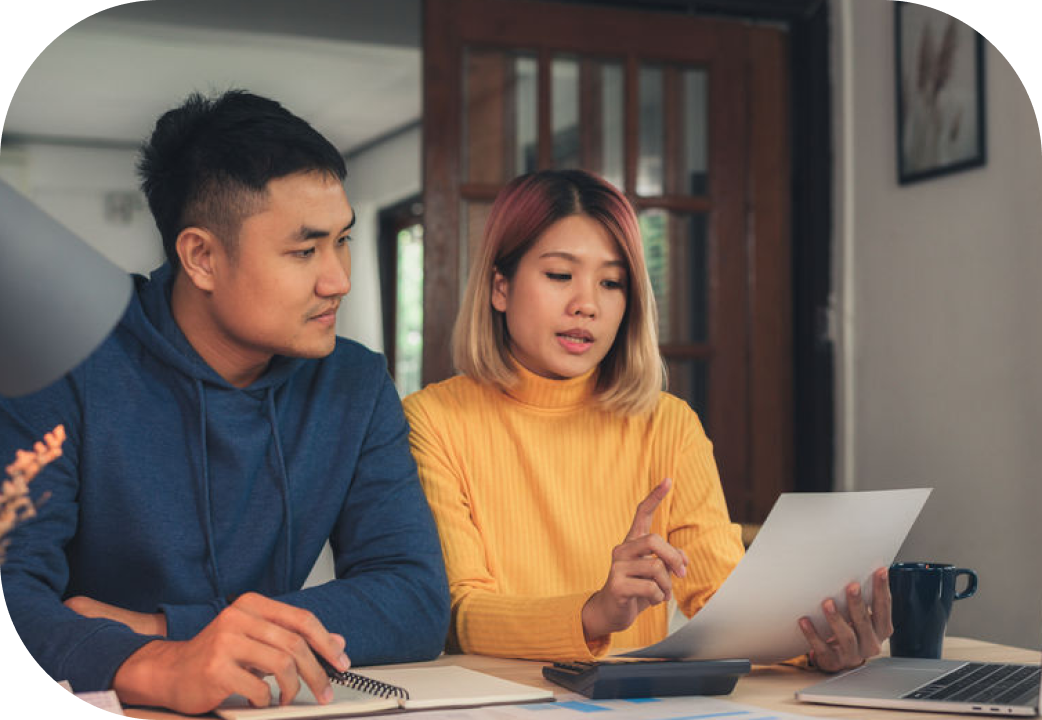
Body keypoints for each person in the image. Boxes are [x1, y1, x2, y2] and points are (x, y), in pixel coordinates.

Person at [0, 90, 449, 714]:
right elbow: (12, 591)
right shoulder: (61, 358)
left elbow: (415, 598)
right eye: (304, 250)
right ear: (202, 257)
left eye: (342, 240)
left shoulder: (353, 382)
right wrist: (158, 667)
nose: (338, 279)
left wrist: (166, 630)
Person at [402, 168, 891, 672]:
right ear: (499, 288)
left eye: (611, 282)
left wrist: (819, 646)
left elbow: (727, 606)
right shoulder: (434, 421)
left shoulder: (669, 425)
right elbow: (460, 614)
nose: (586, 305)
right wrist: (594, 614)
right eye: (559, 275)